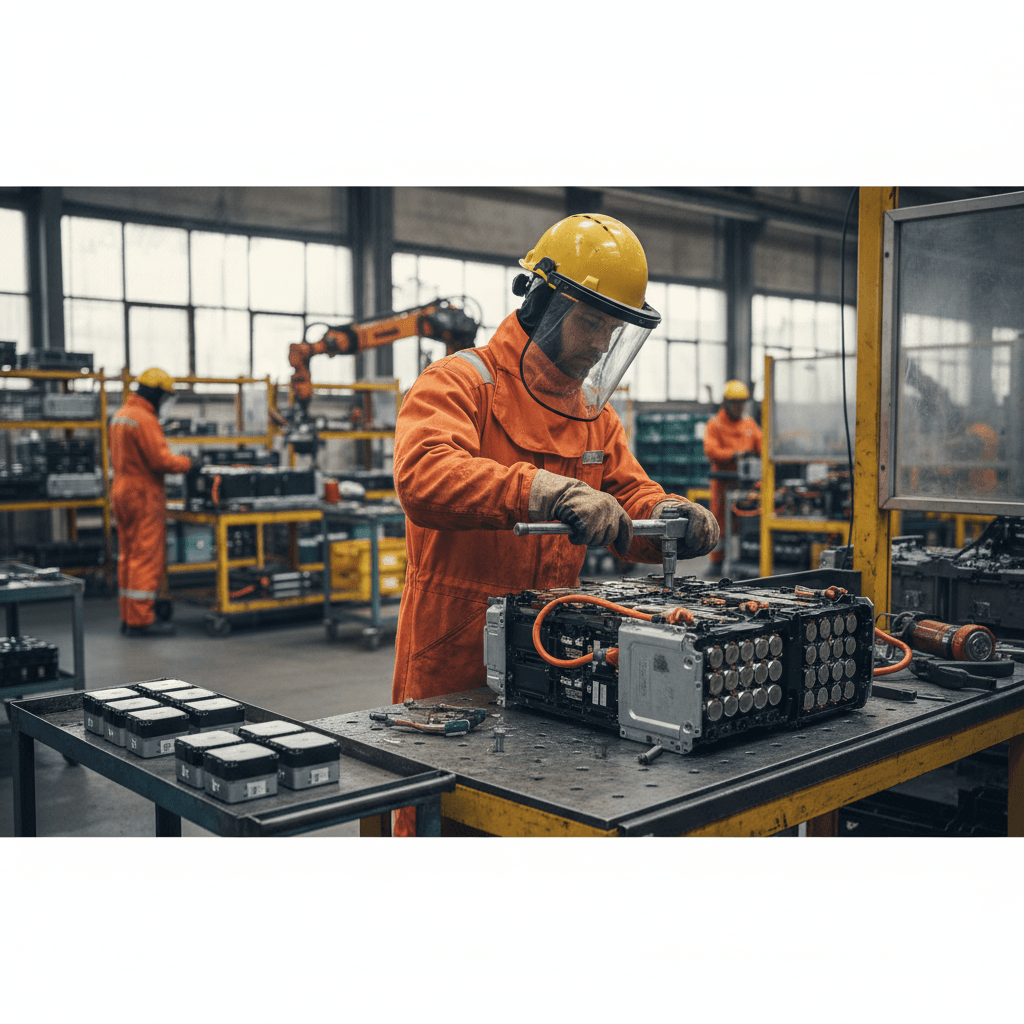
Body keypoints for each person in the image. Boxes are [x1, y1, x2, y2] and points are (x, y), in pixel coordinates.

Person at [390, 213, 720, 835]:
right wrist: (539, 489)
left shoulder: (595, 416)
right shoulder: (461, 382)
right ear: (543, 302)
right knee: (445, 822)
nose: (601, 344)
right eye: (592, 322)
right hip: (453, 652)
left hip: (551, 646)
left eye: (613, 328)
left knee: (540, 816)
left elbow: (629, 494)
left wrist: (666, 515)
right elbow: (423, 476)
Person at [109, 367, 192, 636]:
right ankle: (142, 620)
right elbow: (161, 461)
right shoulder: (144, 419)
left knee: (128, 555)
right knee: (145, 557)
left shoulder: (121, 416)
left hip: (121, 491)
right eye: (165, 397)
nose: (165, 402)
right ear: (156, 393)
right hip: (143, 494)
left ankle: (128, 615)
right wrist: (188, 463)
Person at [702, 380, 762, 574]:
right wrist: (735, 455)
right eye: (735, 403)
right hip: (722, 483)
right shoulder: (715, 424)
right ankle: (716, 563)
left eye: (742, 403)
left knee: (743, 523)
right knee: (719, 523)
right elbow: (711, 450)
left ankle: (741, 561)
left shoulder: (749, 424)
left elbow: (761, 445)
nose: (739, 407)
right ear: (726, 403)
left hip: (746, 484)